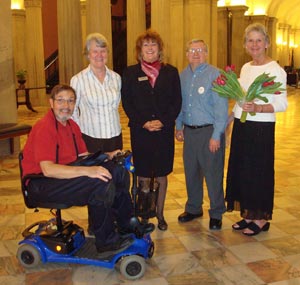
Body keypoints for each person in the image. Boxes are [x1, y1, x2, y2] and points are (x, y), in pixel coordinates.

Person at [21, 84, 153, 256]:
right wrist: (88, 171)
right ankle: (106, 242)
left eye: (70, 101)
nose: (66, 106)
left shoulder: (71, 125)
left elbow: (83, 156)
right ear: (51, 103)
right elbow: (48, 169)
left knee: (117, 172)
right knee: (99, 183)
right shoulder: (44, 127)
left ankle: (125, 223)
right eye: (60, 100)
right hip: (40, 183)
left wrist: (108, 155)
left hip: (62, 174)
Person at [226, 23, 288, 236]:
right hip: (243, 126)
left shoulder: (275, 70)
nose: (254, 44)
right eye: (250, 40)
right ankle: (247, 214)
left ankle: (261, 218)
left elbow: (282, 104)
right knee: (242, 169)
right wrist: (229, 121)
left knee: (258, 171)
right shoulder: (246, 68)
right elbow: (240, 98)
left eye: (258, 40)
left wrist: (259, 107)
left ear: (267, 43)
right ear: (245, 44)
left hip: (261, 127)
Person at [121, 29, 182, 231]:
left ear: (159, 49)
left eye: (153, 45)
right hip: (141, 131)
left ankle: (160, 214)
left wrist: (164, 121)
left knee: (162, 174)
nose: (149, 48)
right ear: (140, 50)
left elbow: (176, 101)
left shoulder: (171, 72)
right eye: (145, 45)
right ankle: (144, 213)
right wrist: (143, 122)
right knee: (144, 175)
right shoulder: (130, 72)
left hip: (164, 132)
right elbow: (127, 102)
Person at [176, 39, 228, 230]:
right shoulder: (182, 76)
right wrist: (179, 126)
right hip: (189, 132)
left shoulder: (216, 74)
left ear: (206, 53)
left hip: (209, 132)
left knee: (213, 174)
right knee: (191, 172)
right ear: (186, 53)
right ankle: (193, 208)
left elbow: (221, 108)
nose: (196, 54)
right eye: (192, 50)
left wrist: (216, 135)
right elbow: (179, 104)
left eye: (200, 50)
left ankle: (216, 212)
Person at [70, 33, 122, 153]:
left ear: (108, 53)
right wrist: (79, 132)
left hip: (115, 136)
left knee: (115, 171)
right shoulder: (78, 80)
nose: (99, 55)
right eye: (95, 51)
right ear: (88, 54)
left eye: (103, 51)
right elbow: (72, 111)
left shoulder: (116, 78)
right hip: (90, 138)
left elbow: (116, 106)